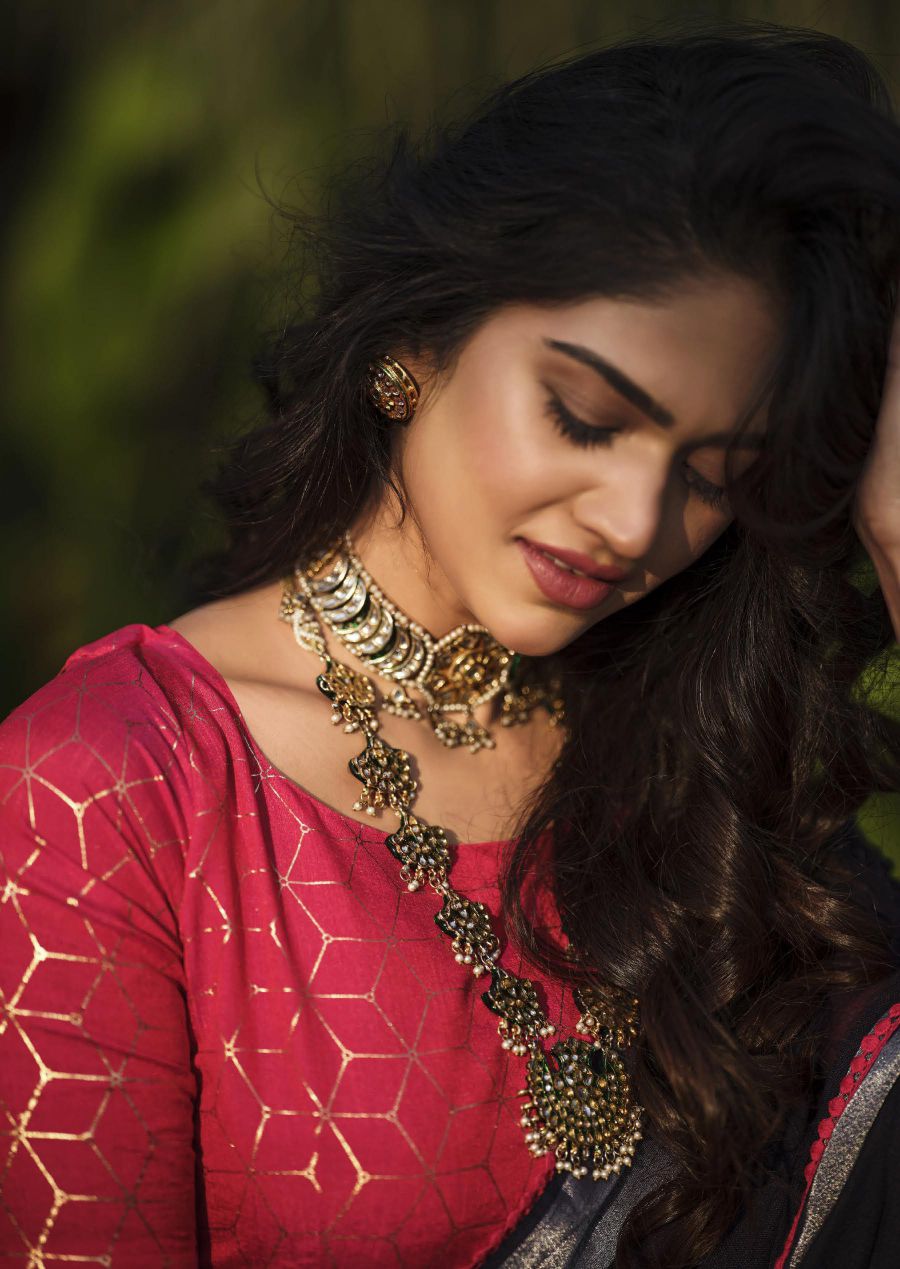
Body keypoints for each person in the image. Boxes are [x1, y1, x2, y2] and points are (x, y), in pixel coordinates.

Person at [2, 17, 900, 1269]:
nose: (638, 521)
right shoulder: (114, 784)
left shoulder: (713, 766)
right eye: (585, 417)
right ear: (417, 344)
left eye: (715, 475)